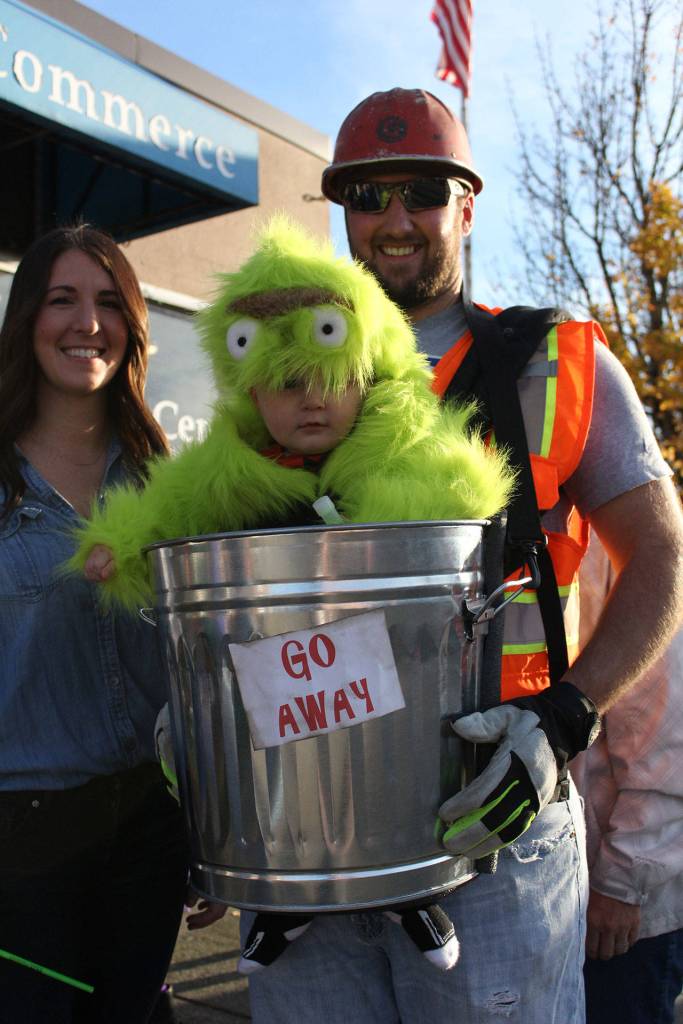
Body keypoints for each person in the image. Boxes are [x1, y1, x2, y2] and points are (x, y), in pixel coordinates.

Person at [237, 88, 683, 1023]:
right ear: (340, 212)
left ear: (466, 206)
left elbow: (661, 557)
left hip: (496, 828)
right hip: (309, 845)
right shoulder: (271, 380)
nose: (394, 219)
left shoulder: (551, 362)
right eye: (367, 194)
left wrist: (565, 718)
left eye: (424, 191)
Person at [72, 217, 514, 976]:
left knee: (396, 789)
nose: (309, 404)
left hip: (388, 696)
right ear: (248, 386)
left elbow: (458, 492)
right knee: (271, 792)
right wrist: (121, 546)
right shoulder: (233, 464)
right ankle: (281, 903)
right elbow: (172, 512)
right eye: (284, 385)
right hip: (280, 695)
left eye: (329, 380)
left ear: (364, 368)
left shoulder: (397, 437)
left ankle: (414, 897)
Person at [0, 224, 199, 1024]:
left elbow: (203, 668)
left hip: (150, 833)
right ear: (27, 321)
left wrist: (216, 832)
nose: (88, 322)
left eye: (109, 301)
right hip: (22, 846)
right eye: (63, 299)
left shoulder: (168, 486)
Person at [574, 537, 683, 1024]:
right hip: (566, 893)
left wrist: (621, 883)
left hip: (618, 912)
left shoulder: (619, 542)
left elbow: (666, 742)